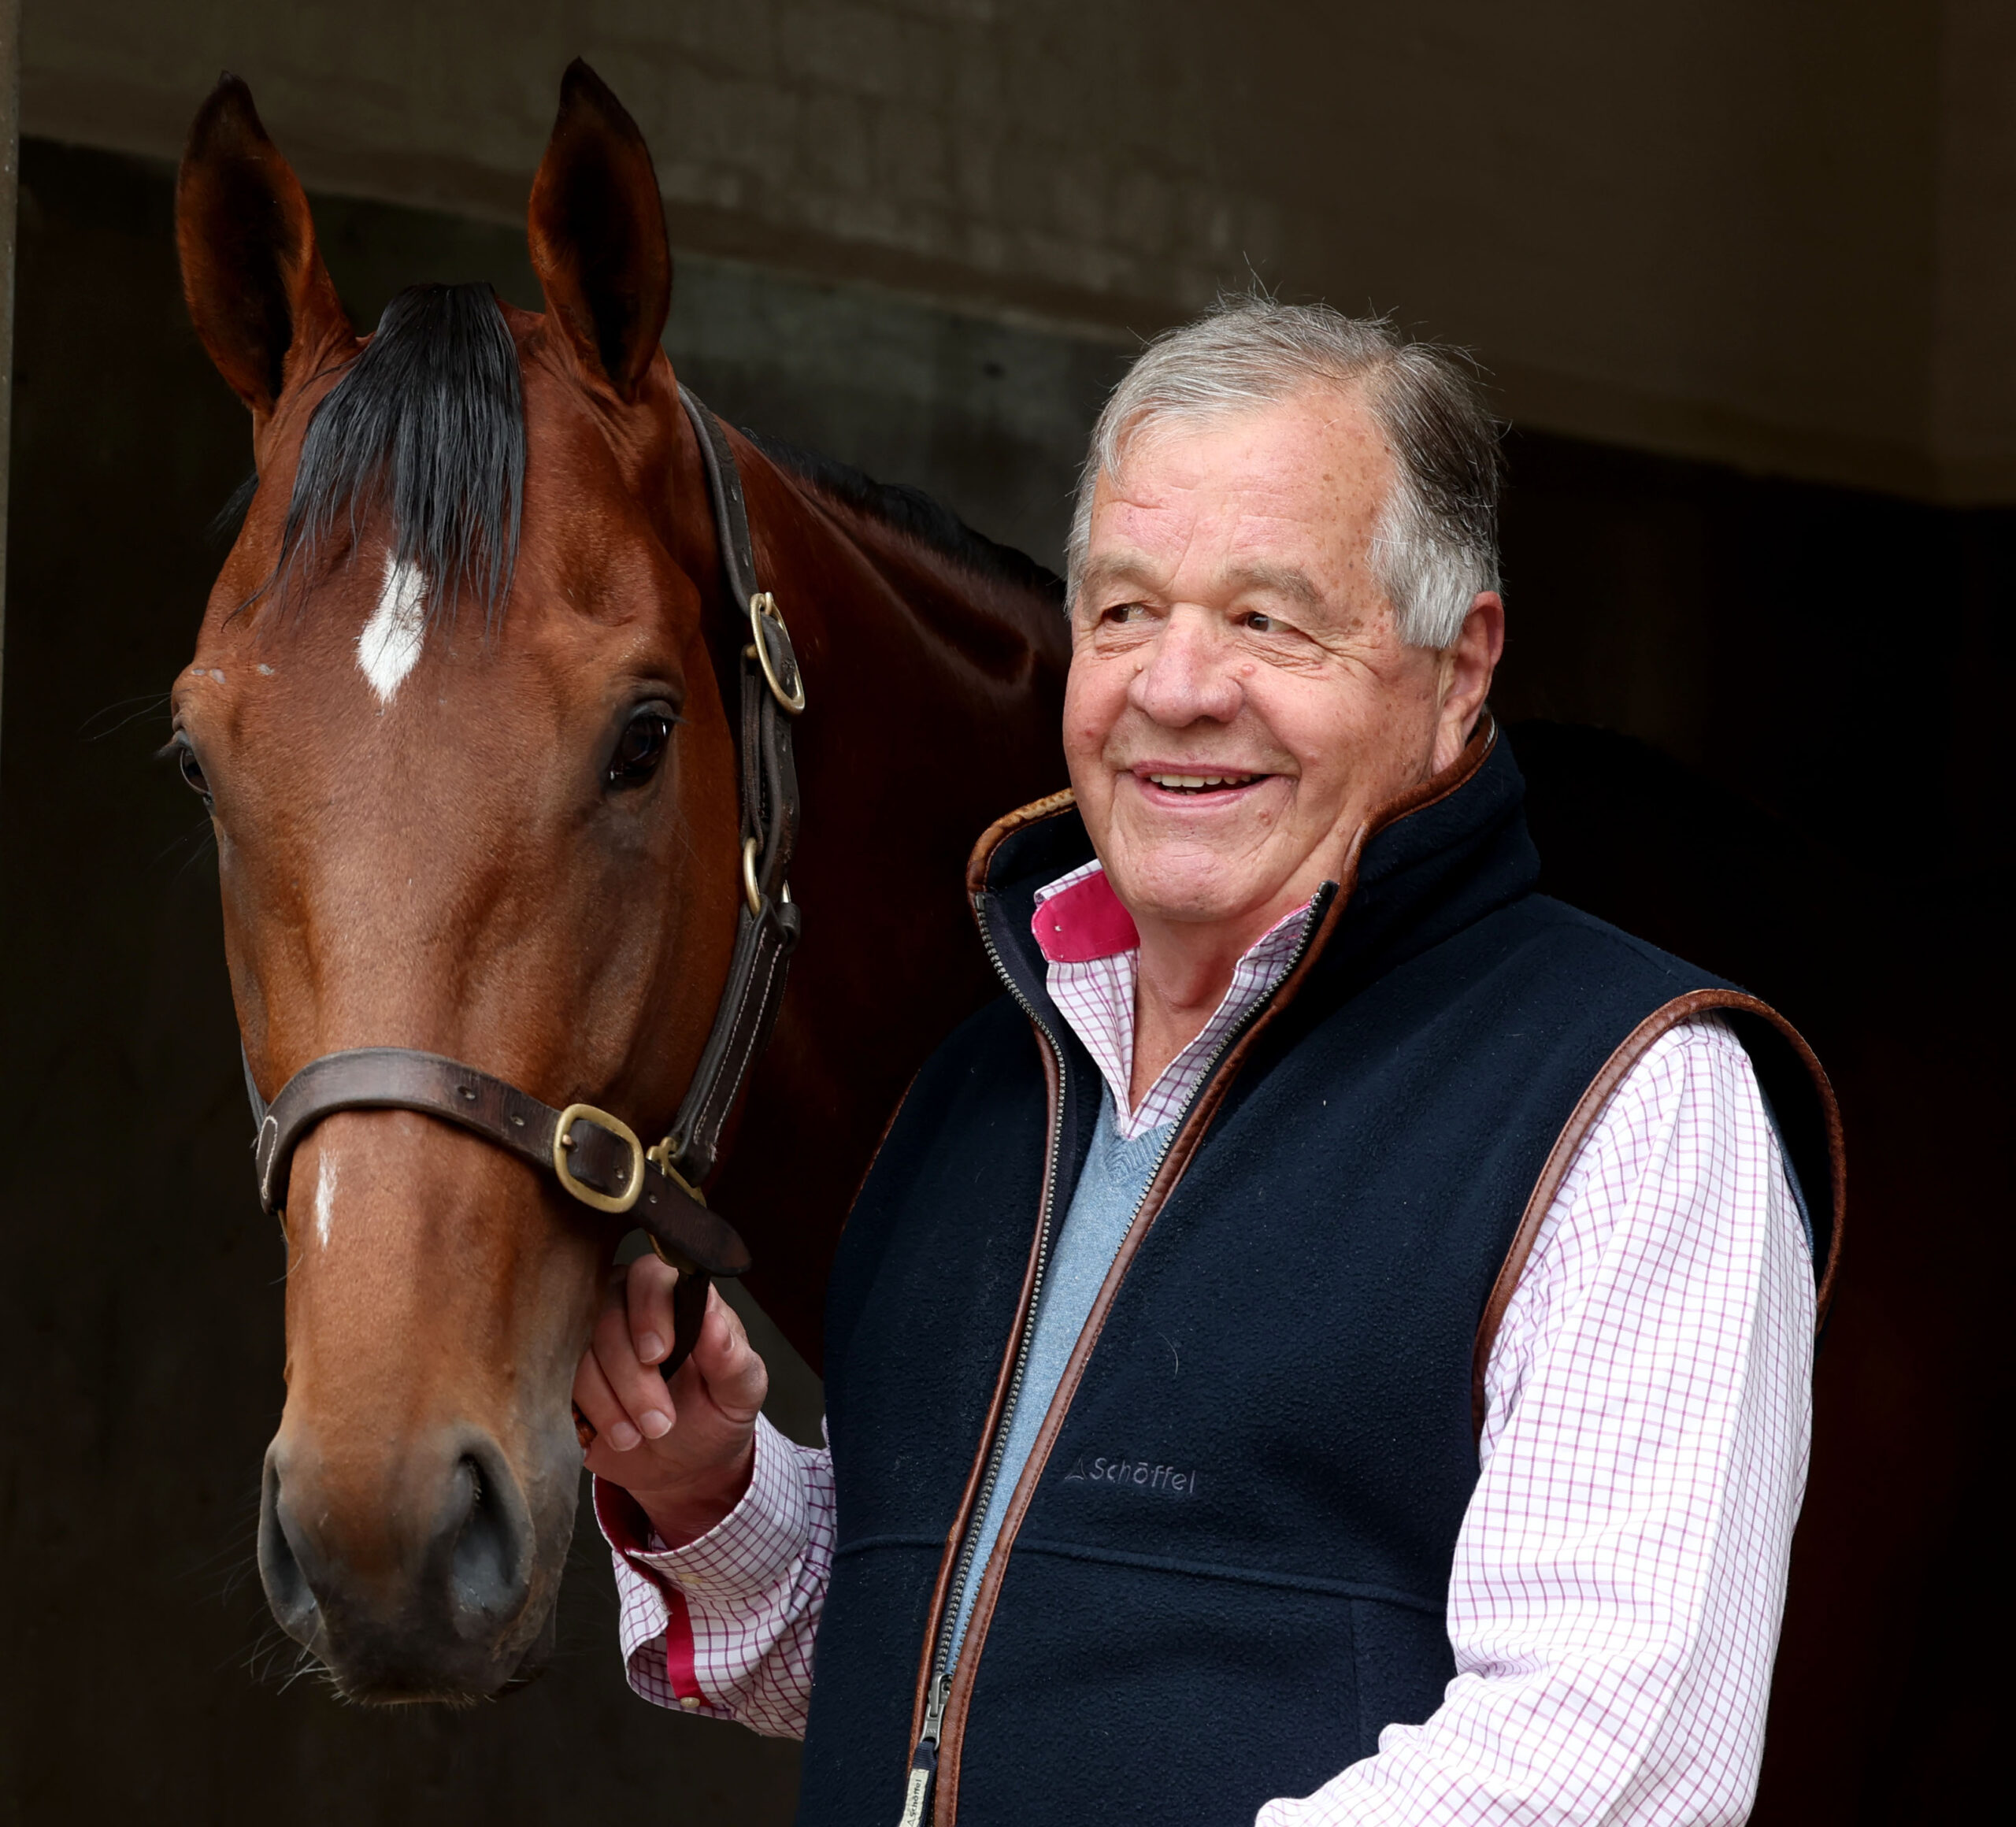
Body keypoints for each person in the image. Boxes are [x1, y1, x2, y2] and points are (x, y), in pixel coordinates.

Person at [572, 298, 1838, 1826]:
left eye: (1263, 617)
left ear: (1457, 667)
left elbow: (1604, 1755)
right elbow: (927, 1684)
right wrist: (707, 1485)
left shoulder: (1630, 1103)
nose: (1173, 686)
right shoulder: (980, 1087)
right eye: (1121, 611)